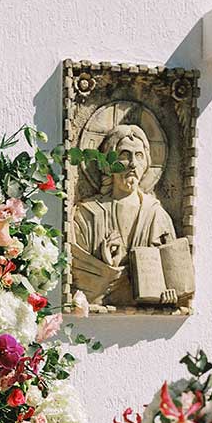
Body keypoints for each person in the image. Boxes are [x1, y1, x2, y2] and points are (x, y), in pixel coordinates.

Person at [72, 122, 178, 307]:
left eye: (139, 156)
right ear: (108, 163)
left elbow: (174, 276)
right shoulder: (86, 216)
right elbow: (79, 283)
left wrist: (171, 294)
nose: (133, 164)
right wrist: (107, 266)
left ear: (146, 163)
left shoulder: (158, 216)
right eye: (124, 155)